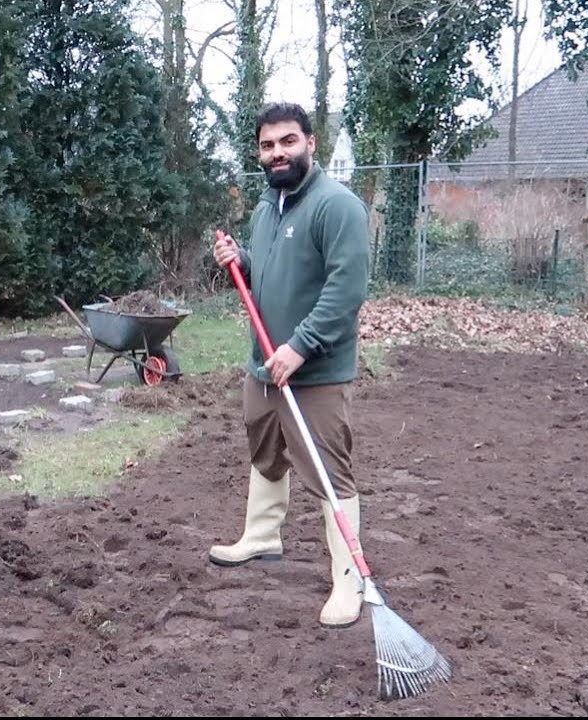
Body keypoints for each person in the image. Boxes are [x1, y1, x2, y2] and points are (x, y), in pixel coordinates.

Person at [208, 102, 371, 628]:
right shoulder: (266, 206)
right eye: (267, 145)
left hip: (315, 371)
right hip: (265, 363)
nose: (277, 153)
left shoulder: (336, 207)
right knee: (264, 447)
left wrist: (300, 347)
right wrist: (242, 262)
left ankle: (349, 583)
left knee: (328, 470)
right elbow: (270, 274)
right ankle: (261, 536)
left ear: (311, 143)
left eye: (287, 141)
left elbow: (346, 291)